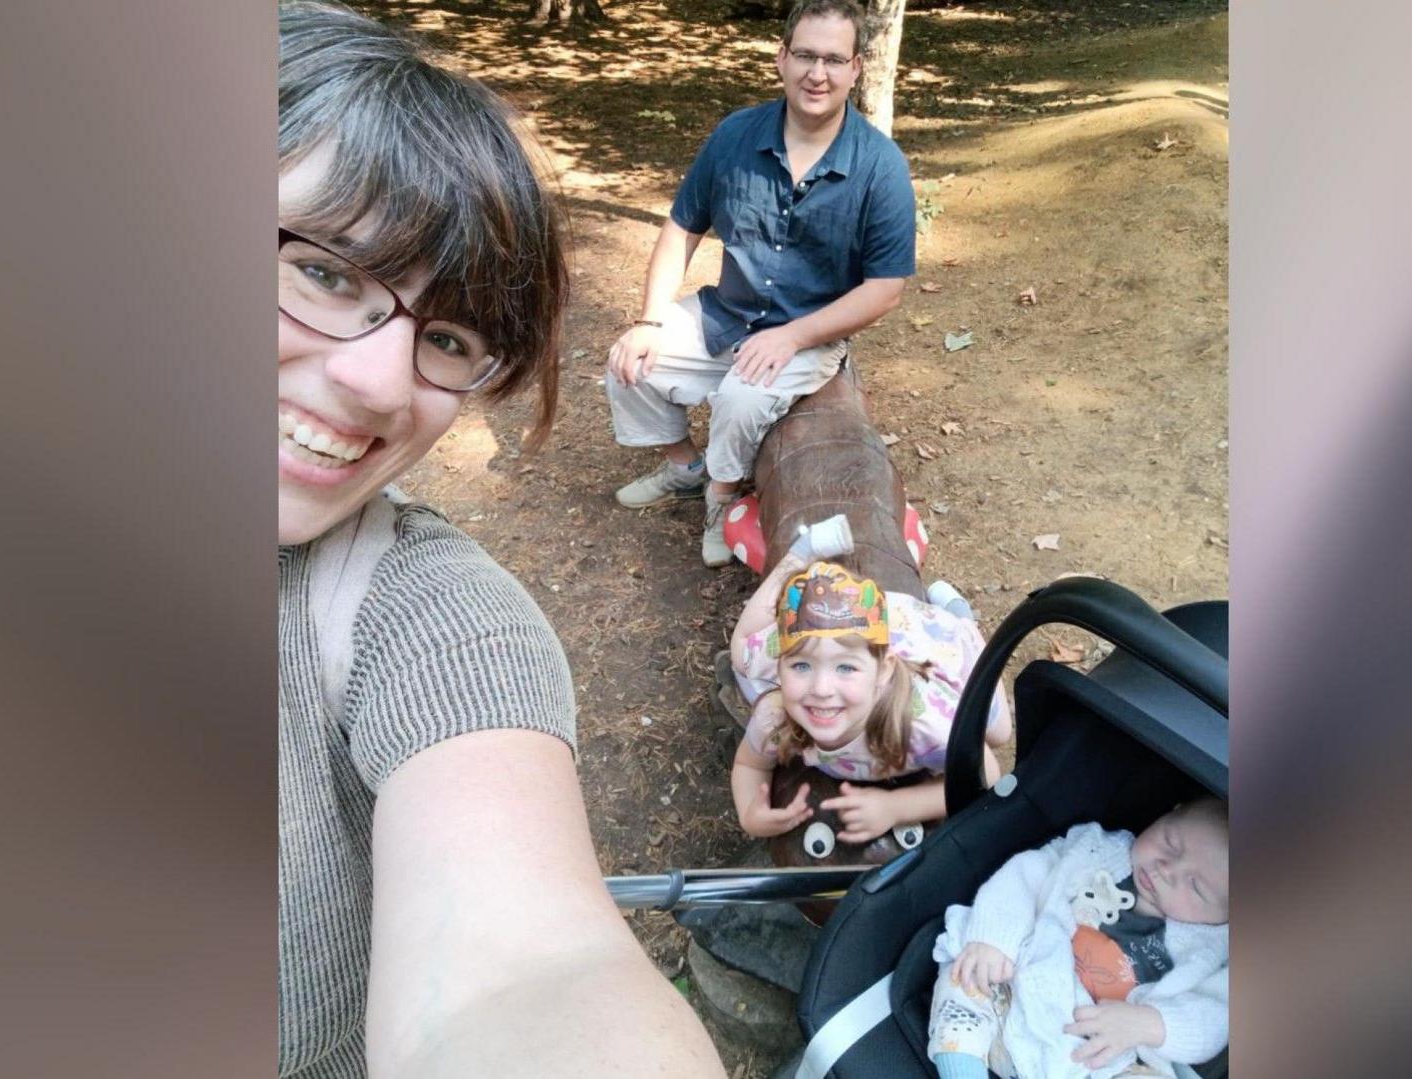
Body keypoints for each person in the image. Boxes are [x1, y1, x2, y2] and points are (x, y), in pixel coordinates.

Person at [275, 6, 723, 1076]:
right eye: (326, 271)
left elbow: (526, 974)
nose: (383, 383)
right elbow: (682, 231)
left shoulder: (428, 616)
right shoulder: (737, 144)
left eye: (446, 336)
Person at [604, 0, 918, 567]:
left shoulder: (880, 166)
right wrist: (649, 321)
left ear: (856, 68)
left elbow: (885, 287)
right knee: (628, 362)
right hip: (728, 312)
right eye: (804, 55)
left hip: (809, 332)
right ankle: (685, 466)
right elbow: (681, 228)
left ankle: (721, 496)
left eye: (832, 59)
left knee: (742, 399)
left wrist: (792, 337)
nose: (816, 73)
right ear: (781, 58)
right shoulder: (735, 136)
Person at [726, 517, 1011, 842]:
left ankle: (962, 616)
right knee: (741, 652)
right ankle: (802, 553)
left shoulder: (921, 724)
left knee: (999, 733)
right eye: (801, 667)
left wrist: (897, 807)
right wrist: (750, 814)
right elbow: (749, 766)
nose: (820, 689)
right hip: (850, 633)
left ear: (885, 671)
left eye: (845, 668)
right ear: (779, 666)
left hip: (938, 643)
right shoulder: (775, 716)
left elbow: (986, 772)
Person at [929, 800, 1230, 1079]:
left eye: (1196, 887)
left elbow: (1214, 1016)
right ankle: (962, 1068)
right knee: (965, 978)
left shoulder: (1210, 951)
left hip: (1095, 1054)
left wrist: (1149, 1023)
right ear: (1168, 813)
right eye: (1170, 843)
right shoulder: (1095, 850)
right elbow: (1025, 876)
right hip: (1013, 989)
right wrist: (994, 939)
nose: (1167, 869)